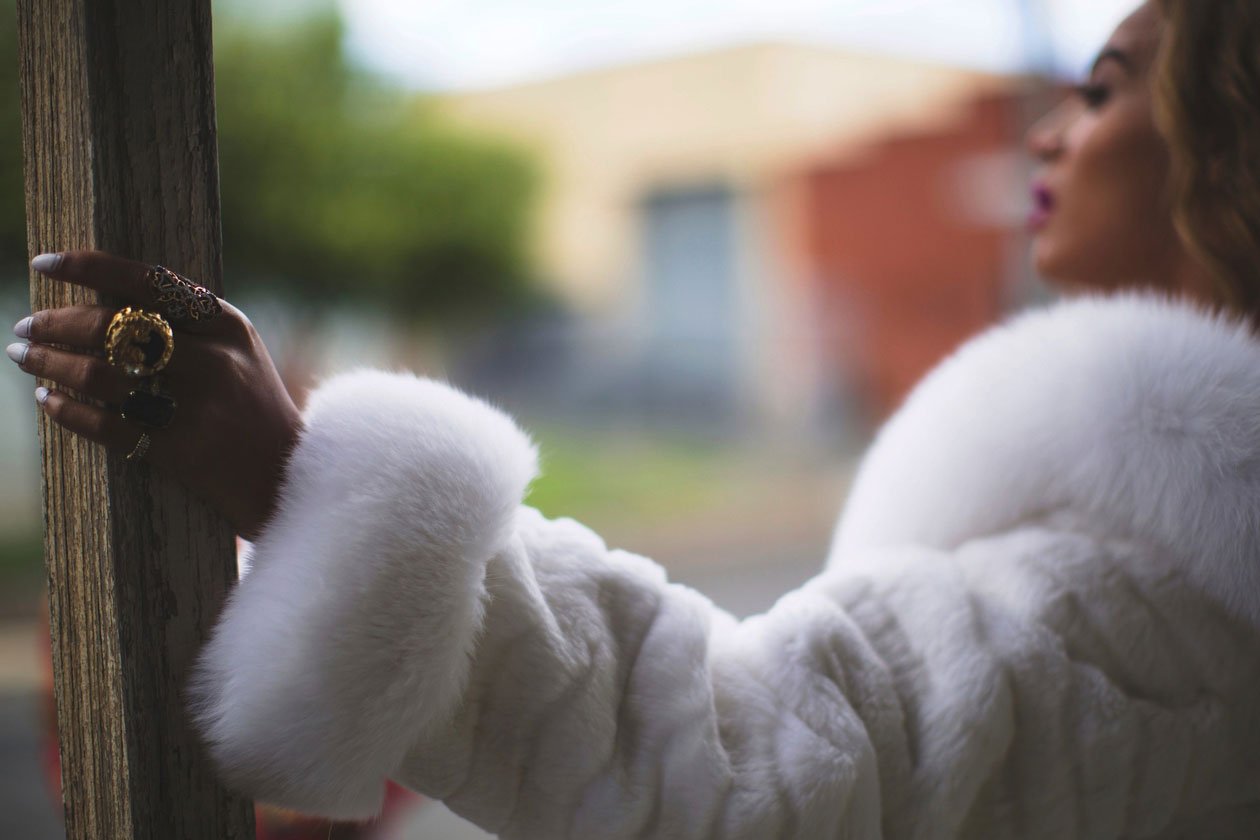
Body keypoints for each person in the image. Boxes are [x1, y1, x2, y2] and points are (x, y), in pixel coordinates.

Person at [7, 0, 1260, 835]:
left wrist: (299, 476)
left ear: (1230, 143)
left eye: (1104, 91)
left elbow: (745, 773)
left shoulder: (1143, 607)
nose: (1049, 134)